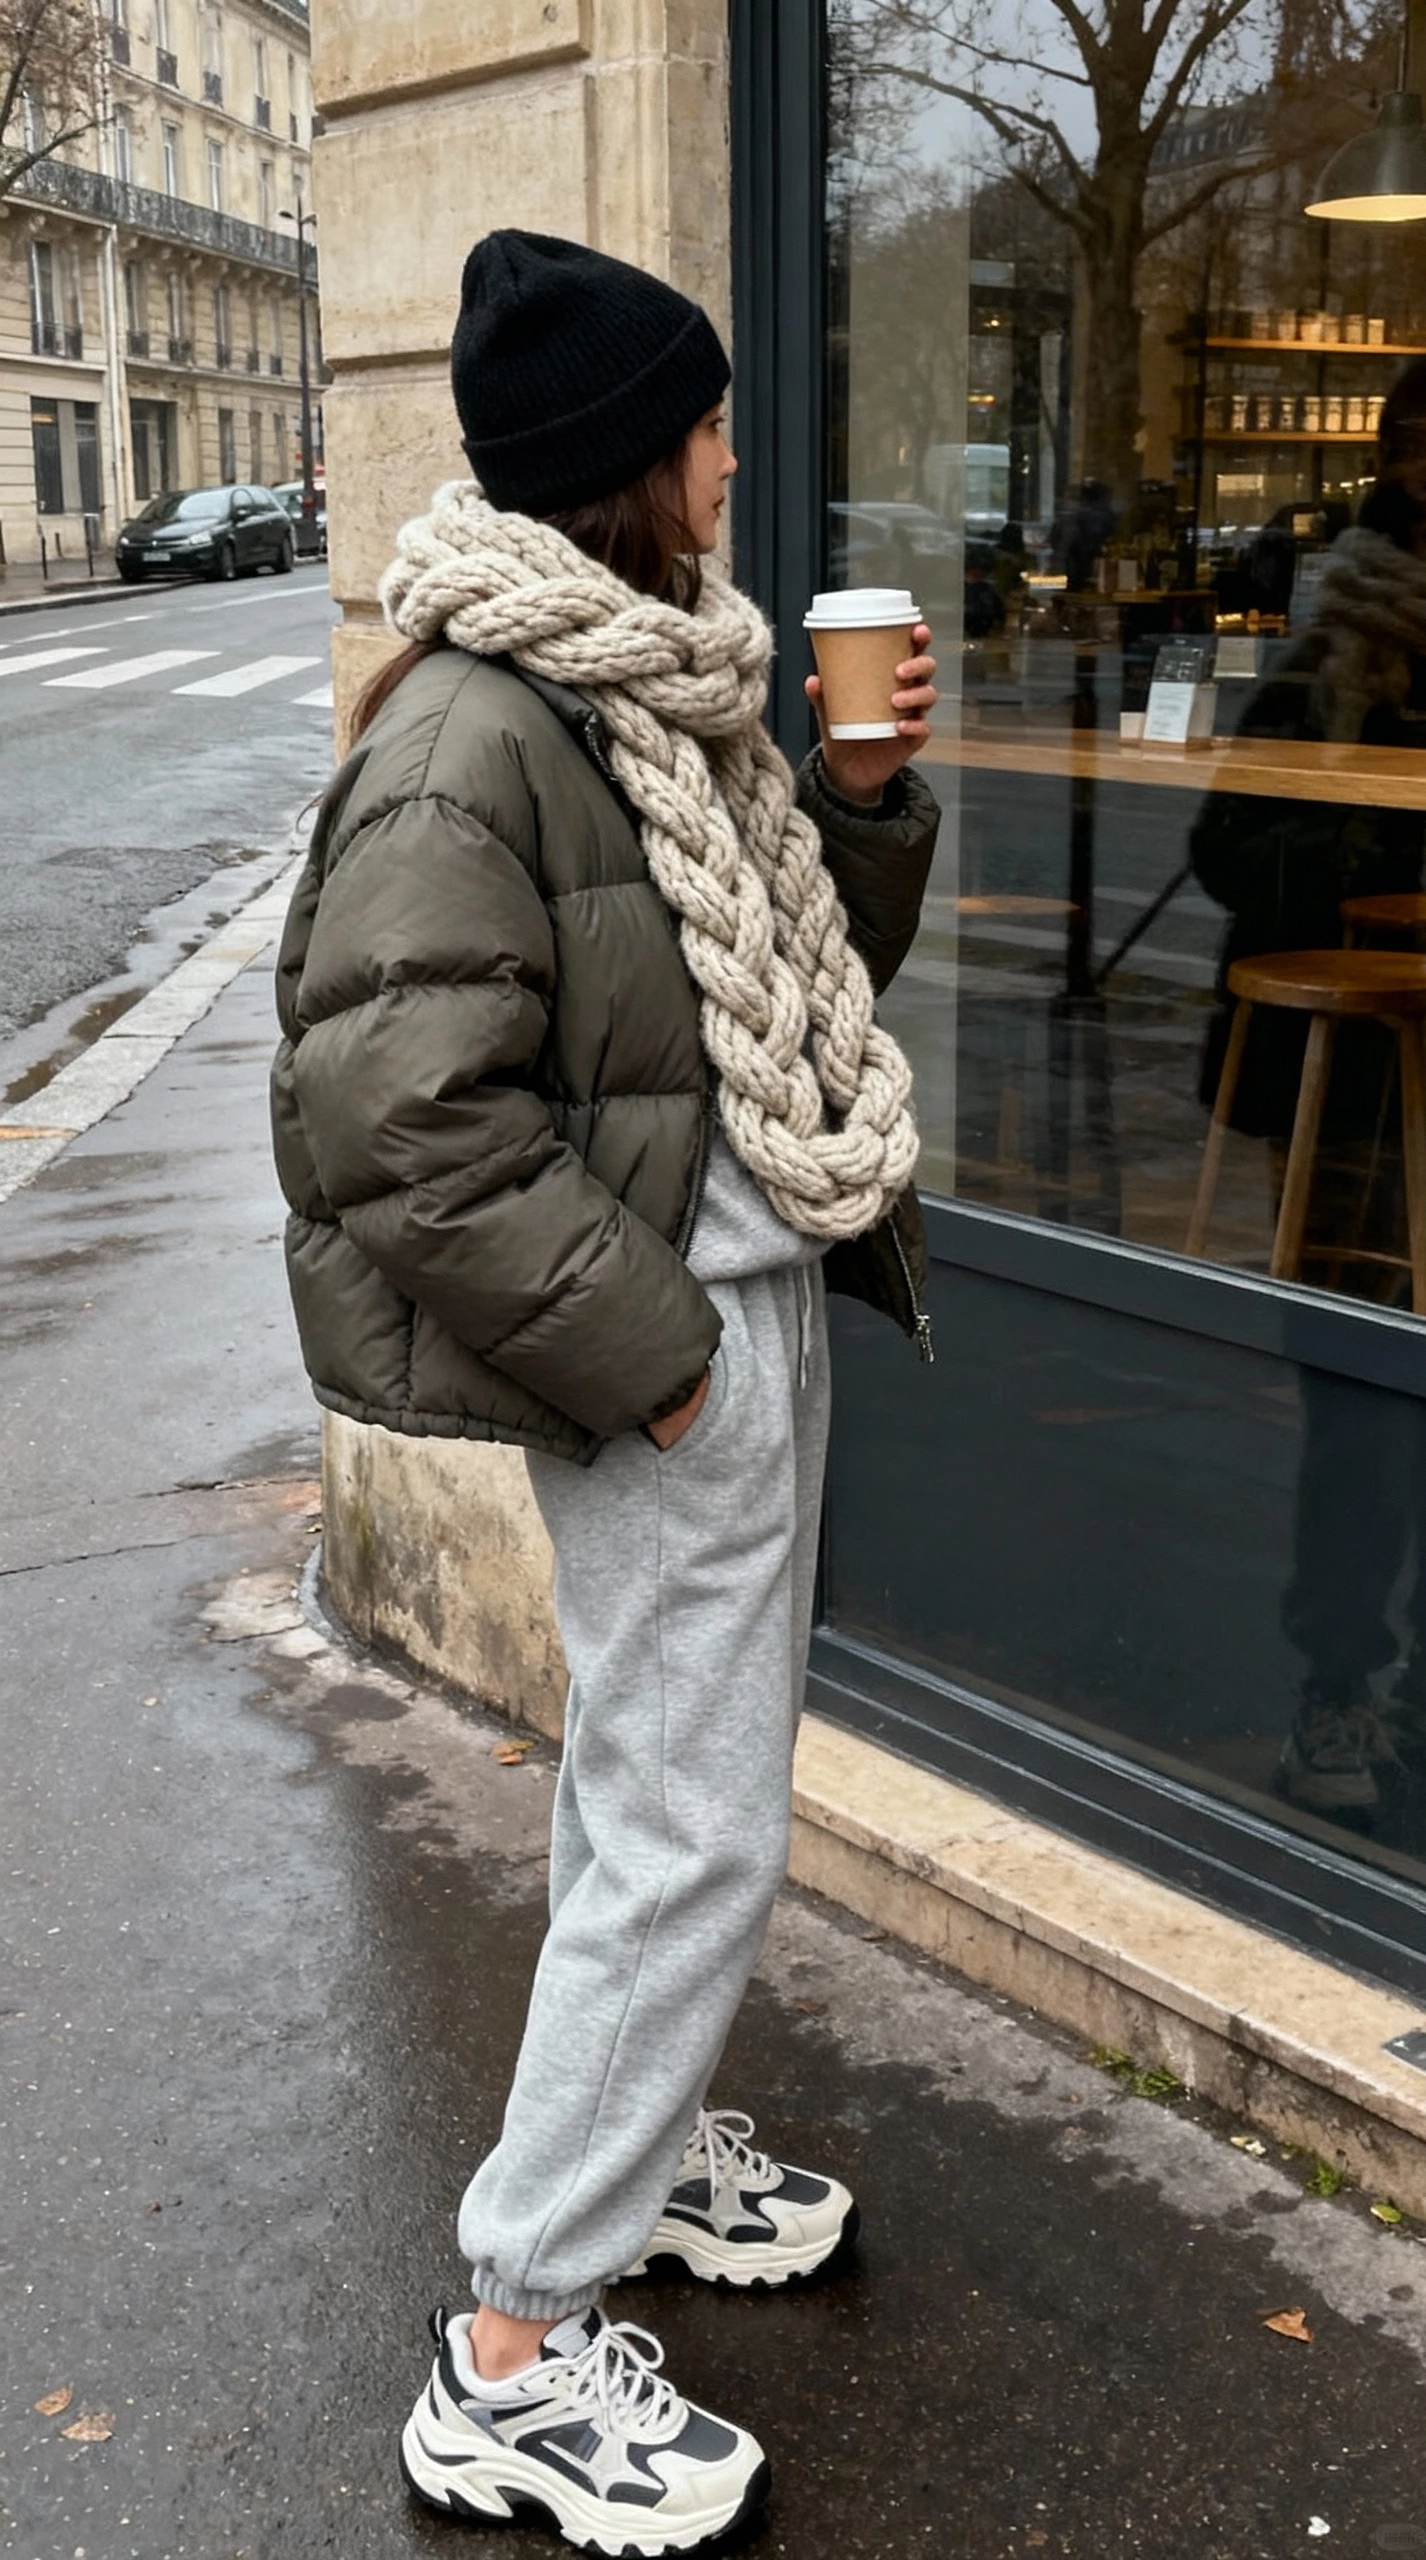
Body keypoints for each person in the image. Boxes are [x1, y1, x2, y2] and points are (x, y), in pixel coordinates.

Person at [271, 230, 939, 2553]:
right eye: (710, 424)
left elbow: (773, 999)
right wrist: (669, 1378)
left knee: (660, 1788)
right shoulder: (481, 729)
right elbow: (398, 1121)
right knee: (692, 1829)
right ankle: (517, 2346)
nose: (737, 459)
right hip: (659, 1347)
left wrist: (863, 795)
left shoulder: (661, 685)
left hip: (729, 1309)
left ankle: (628, 2165)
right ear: (629, 459)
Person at [1189, 356, 1426, 1827]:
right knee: (1360, 1393)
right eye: (1420, 447)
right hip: (1361, 1078)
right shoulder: (1339, 636)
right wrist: (1357, 847)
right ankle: (1337, 1688)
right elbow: (1225, 846)